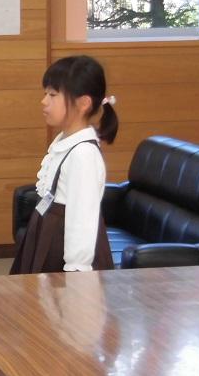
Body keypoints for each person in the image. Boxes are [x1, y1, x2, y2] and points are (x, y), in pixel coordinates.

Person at [10, 55, 118, 274]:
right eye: (45, 94)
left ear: (83, 103)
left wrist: (76, 274)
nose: (44, 101)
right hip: (48, 237)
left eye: (52, 95)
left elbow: (82, 221)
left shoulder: (83, 154)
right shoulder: (64, 141)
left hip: (64, 251)